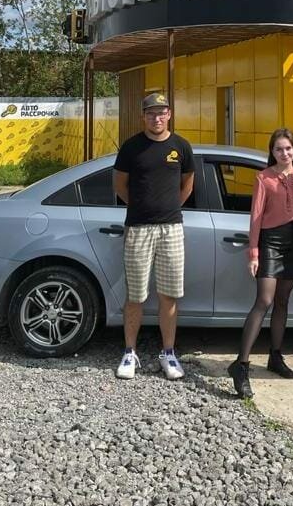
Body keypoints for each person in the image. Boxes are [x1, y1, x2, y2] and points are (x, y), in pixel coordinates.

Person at [113, 91, 195, 381]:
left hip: (171, 228)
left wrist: (169, 208)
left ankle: (168, 353)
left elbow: (187, 184)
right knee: (135, 295)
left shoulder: (181, 146)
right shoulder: (131, 147)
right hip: (138, 228)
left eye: (161, 112)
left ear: (169, 114)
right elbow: (120, 185)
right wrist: (141, 207)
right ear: (143, 117)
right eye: (151, 113)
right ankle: (129, 352)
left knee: (169, 295)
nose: (156, 118)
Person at [227, 128, 293, 398]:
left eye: (288, 148)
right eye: (278, 149)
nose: (284, 153)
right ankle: (241, 365)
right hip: (270, 242)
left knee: (283, 301)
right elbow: (255, 217)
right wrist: (254, 253)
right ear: (272, 152)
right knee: (264, 300)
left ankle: (275, 356)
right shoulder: (263, 178)